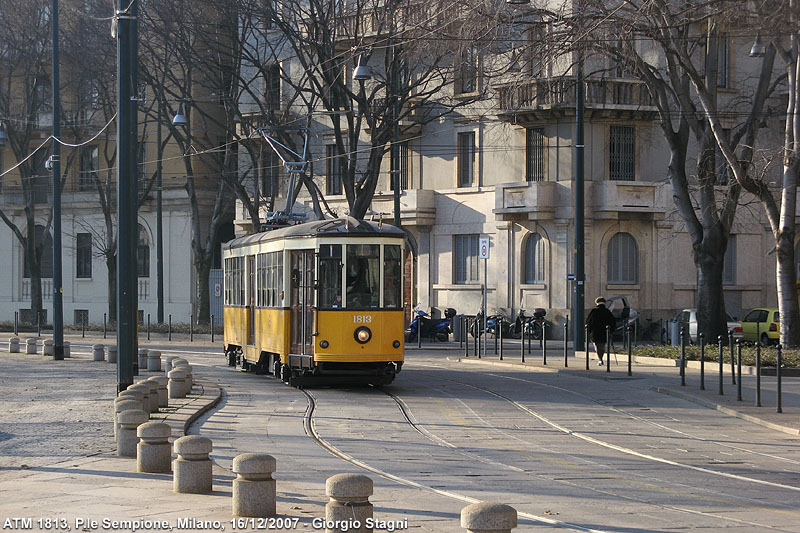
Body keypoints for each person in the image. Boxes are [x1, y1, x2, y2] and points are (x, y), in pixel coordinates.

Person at [586, 297, 616, 366]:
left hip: (595, 332)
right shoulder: (607, 311)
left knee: (597, 346)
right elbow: (613, 322)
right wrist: (611, 330)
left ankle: (600, 359)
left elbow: (588, 322)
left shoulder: (594, 311)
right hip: (605, 332)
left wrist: (588, 330)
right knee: (602, 346)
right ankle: (600, 359)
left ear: (596, 303)